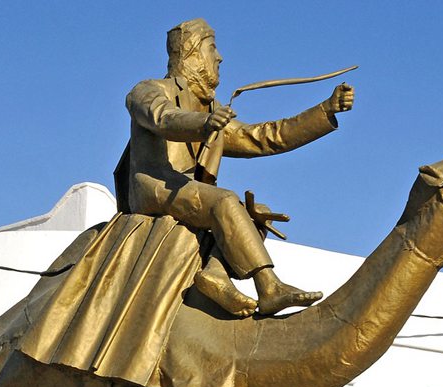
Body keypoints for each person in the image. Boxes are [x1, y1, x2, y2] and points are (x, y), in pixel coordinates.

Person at [119, 18, 354, 316]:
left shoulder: (213, 110)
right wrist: (203, 124)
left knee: (256, 212)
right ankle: (269, 287)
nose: (219, 57)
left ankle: (215, 275)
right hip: (155, 185)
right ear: (191, 52)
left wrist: (325, 110)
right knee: (225, 200)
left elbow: (263, 137)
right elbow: (162, 118)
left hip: (188, 192)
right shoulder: (149, 90)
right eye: (212, 48)